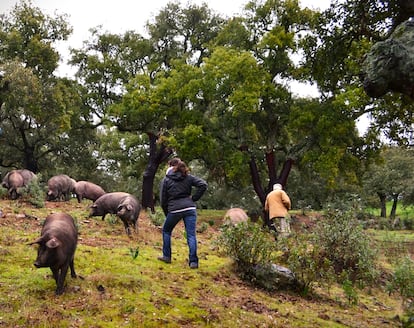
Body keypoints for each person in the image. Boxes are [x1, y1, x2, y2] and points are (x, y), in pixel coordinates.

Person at [158, 159, 207, 269]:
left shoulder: (166, 180)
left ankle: (167, 256)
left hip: (174, 209)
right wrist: (194, 198)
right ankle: (193, 262)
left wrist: (168, 213)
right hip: (190, 208)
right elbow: (203, 184)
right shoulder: (188, 177)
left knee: (166, 230)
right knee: (191, 235)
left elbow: (163, 200)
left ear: (170, 166)